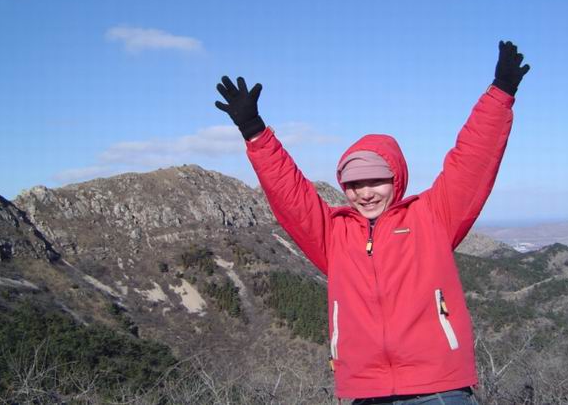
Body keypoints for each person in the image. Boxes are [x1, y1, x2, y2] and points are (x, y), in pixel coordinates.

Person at [214, 41, 529, 404]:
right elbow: (289, 193)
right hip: (366, 390)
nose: (364, 193)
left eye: (376, 181)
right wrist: (254, 131)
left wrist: (500, 94)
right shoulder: (333, 234)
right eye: (353, 184)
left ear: (396, 179)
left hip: (438, 388)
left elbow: (471, 163)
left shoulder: (432, 217)